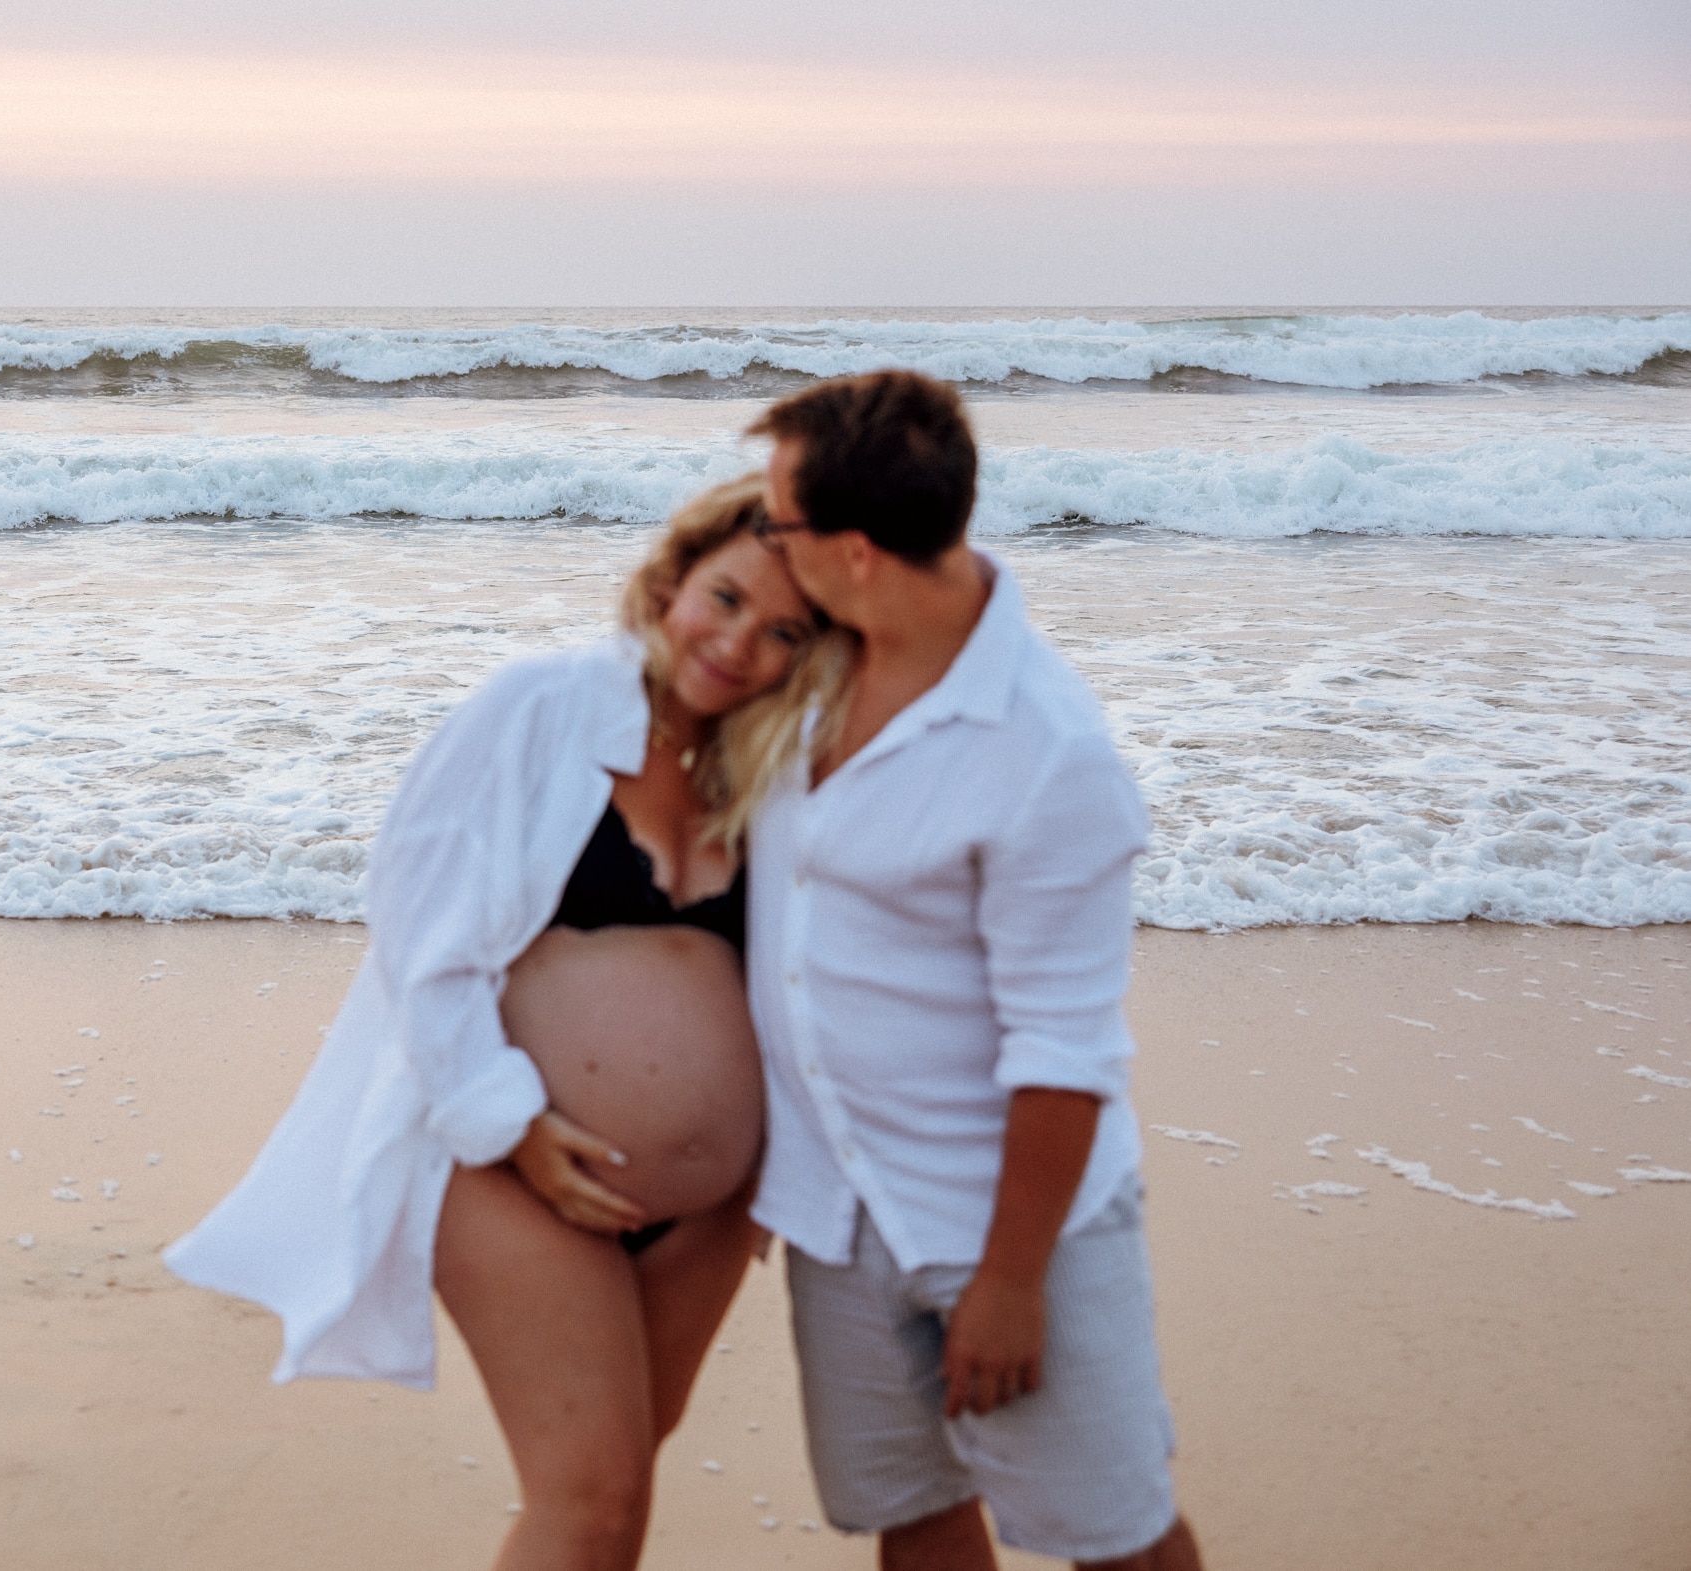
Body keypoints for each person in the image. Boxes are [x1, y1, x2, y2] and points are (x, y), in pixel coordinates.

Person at [166, 475, 849, 1571]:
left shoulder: (765, 768)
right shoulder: (539, 707)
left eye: (783, 631)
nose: (740, 644)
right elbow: (415, 922)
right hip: (516, 1172)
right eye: (724, 599)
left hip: (704, 1212)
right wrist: (506, 1122)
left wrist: (773, 1167)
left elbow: (801, 974)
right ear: (672, 578)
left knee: (614, 1502)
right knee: (586, 1502)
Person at [745, 371, 1206, 1571]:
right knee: (915, 1511)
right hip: (842, 1210)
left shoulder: (1048, 755)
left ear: (850, 549)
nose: (762, 545)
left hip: (1001, 1220)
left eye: (775, 523)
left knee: (1116, 1535)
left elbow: (1066, 1046)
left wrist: (1009, 1279)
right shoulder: (813, 663)